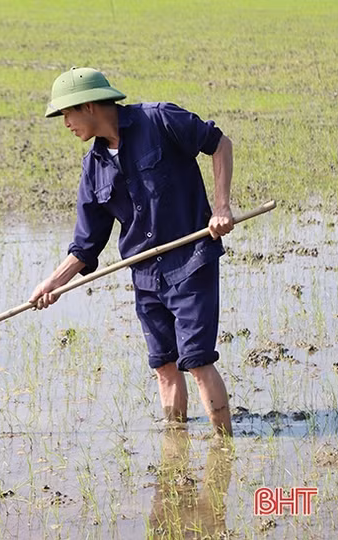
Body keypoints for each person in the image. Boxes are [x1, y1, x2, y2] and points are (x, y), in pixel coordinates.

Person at [30, 67, 235, 437]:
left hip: (191, 262)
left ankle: (225, 450)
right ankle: (177, 448)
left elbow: (219, 144)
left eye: (66, 113)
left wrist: (221, 207)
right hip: (145, 275)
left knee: (198, 361)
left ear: (89, 106)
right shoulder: (93, 168)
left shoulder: (159, 120)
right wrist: (52, 284)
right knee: (164, 366)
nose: (65, 124)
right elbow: (86, 244)